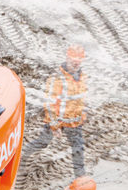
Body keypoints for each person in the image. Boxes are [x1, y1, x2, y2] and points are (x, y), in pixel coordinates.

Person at [31, 44, 88, 177]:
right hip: (58, 122)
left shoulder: (82, 77)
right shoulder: (57, 79)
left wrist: (82, 115)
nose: (76, 63)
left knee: (78, 149)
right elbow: (50, 104)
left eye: (79, 60)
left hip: (75, 123)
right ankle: (23, 158)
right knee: (42, 142)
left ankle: (80, 178)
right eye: (73, 59)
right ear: (67, 58)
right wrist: (55, 126)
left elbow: (80, 99)